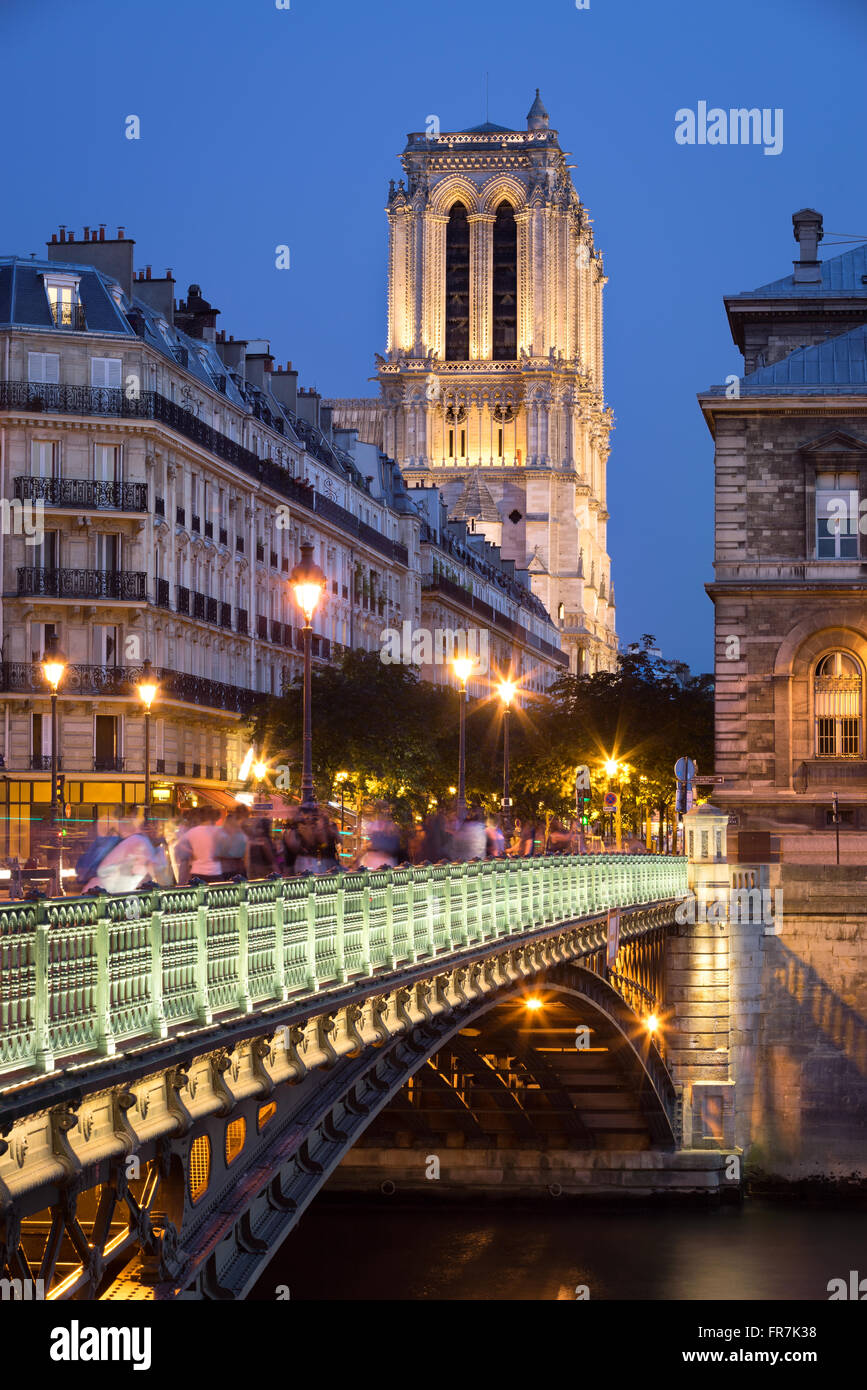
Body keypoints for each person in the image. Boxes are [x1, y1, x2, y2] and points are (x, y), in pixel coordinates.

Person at [80, 818, 173, 895]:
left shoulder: (149, 847)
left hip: (113, 897)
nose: (163, 834)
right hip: (100, 895)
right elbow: (163, 879)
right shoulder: (140, 843)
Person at [218, 806, 250, 876]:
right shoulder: (243, 833)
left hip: (224, 869)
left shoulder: (223, 833)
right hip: (237, 870)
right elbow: (246, 857)